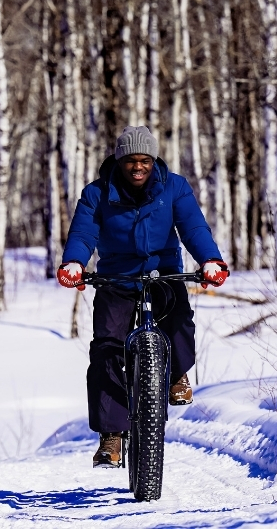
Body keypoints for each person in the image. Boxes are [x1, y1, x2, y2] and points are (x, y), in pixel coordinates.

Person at [56, 126, 230, 468]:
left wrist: (210, 259)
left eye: (145, 160)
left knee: (179, 321)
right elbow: (83, 231)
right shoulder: (97, 193)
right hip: (116, 277)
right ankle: (111, 436)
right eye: (131, 160)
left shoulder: (174, 187)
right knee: (106, 348)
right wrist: (74, 262)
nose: (138, 167)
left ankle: (176, 374)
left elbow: (193, 226)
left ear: (154, 159)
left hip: (163, 272)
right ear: (119, 160)